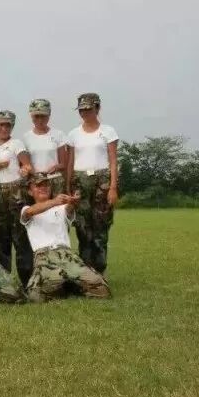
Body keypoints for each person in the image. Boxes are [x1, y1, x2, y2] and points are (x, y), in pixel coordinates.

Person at [20, 173, 111, 302]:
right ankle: (64, 282)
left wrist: (73, 201)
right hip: (44, 256)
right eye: (38, 186)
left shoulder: (61, 208)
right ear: (30, 191)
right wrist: (54, 201)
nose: (43, 188)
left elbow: (69, 209)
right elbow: (29, 213)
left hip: (66, 255)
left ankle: (69, 283)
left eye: (46, 185)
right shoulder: (27, 209)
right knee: (35, 297)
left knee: (102, 289)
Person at [66, 93, 119, 273]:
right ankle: (85, 273)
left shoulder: (108, 131)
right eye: (81, 110)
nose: (84, 113)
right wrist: (68, 188)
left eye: (88, 109)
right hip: (79, 182)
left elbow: (113, 161)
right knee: (82, 228)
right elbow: (70, 163)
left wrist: (113, 188)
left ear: (97, 108)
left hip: (102, 181)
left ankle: (100, 270)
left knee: (101, 227)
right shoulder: (73, 134)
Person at [0, 110, 33, 283]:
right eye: (1, 124)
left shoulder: (16, 143)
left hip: (16, 192)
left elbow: (27, 165)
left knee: (20, 238)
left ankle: (26, 281)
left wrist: (26, 170)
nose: (4, 128)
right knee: (2, 239)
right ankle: (4, 283)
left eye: (8, 125)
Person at [22, 99, 68, 196]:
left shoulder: (59, 134)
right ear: (31, 116)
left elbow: (64, 163)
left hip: (55, 182)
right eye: (37, 116)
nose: (40, 120)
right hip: (36, 183)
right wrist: (27, 171)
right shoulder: (26, 138)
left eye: (43, 116)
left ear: (49, 115)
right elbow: (25, 164)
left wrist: (56, 167)